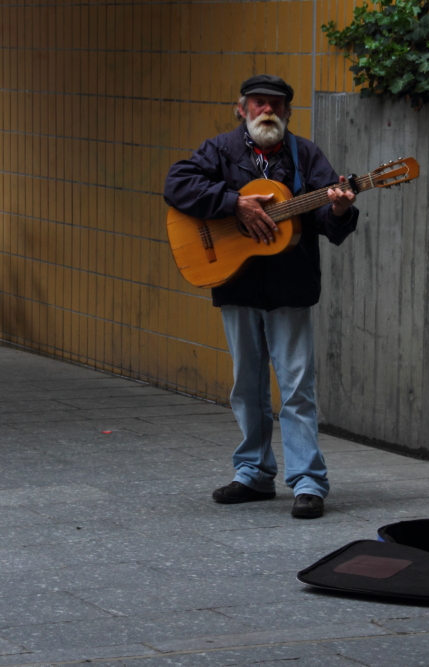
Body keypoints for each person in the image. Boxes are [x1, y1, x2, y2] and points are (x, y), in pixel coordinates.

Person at [163, 74, 358, 519]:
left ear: (287, 112)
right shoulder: (219, 151)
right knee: (246, 386)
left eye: (275, 104)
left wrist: (341, 208)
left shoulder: (305, 156)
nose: (266, 110)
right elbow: (177, 184)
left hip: (290, 284)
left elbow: (329, 220)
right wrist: (234, 203)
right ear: (241, 109)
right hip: (237, 280)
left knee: (296, 387)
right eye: (257, 104)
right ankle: (252, 473)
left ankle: (308, 481)